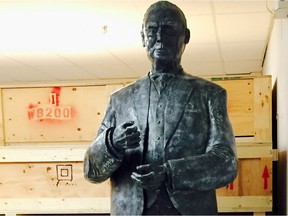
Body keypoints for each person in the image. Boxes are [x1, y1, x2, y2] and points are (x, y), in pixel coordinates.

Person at [84, 1, 238, 215]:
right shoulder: (120, 100)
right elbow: (91, 171)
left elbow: (226, 162)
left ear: (186, 36)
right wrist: (112, 143)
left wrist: (170, 173)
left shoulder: (210, 95)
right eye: (152, 29)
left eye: (168, 29)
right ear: (142, 38)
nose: (159, 36)